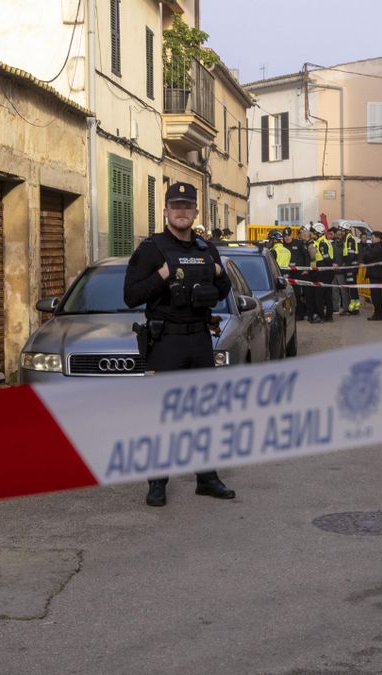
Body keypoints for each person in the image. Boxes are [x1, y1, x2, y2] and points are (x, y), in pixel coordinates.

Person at [123, 181, 237, 507]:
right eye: (176, 206)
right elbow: (130, 296)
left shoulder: (206, 249)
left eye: (188, 207)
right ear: (166, 211)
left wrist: (215, 273)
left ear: (196, 212)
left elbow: (224, 287)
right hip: (166, 341)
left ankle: (207, 478)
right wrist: (161, 275)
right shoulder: (151, 249)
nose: (182, 212)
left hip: (199, 338)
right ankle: (157, 483)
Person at [363, 231, 382, 321]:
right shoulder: (375, 247)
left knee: (376, 295)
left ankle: (378, 314)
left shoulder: (378, 248)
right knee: (375, 295)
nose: (371, 240)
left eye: (372, 238)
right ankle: (378, 312)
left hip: (376, 274)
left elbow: (367, 257)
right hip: (375, 274)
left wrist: (367, 250)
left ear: (378, 238)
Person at [310, 222, 336, 323]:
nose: (312, 235)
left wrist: (331, 265)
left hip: (323, 271)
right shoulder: (325, 241)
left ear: (318, 233)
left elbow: (326, 258)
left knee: (319, 295)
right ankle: (329, 316)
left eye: (313, 233)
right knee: (327, 294)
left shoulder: (322, 243)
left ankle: (321, 316)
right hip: (327, 271)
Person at [335, 225, 361, 316]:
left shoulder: (350, 240)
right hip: (349, 267)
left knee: (352, 288)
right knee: (351, 287)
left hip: (351, 267)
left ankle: (354, 308)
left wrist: (345, 265)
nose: (340, 232)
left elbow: (351, 255)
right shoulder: (347, 240)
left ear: (346, 230)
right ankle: (354, 307)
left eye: (342, 230)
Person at [285, 228, 310, 321]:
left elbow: (306, 255)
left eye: (289, 235)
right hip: (289, 273)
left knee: (300, 294)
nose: (287, 238)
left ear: (292, 235)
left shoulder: (298, 243)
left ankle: (302, 313)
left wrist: (307, 269)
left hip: (300, 273)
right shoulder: (283, 245)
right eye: (285, 236)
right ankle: (294, 313)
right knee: (291, 295)